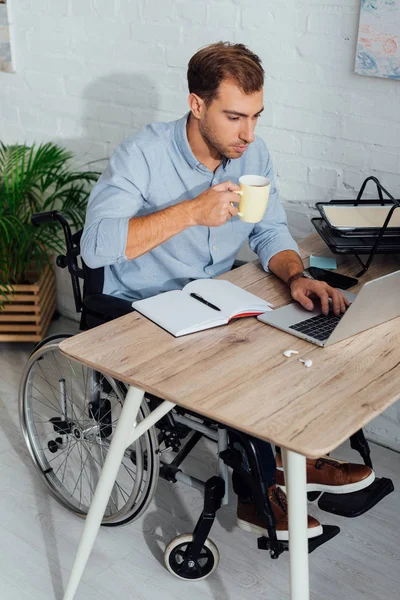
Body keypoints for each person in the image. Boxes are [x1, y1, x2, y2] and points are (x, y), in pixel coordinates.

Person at [82, 42, 374, 541]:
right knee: (241, 366)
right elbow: (95, 247)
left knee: (294, 340)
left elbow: (270, 231)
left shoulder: (251, 153)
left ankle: (289, 462)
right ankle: (258, 493)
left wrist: (296, 275)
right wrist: (192, 212)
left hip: (212, 295)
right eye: (235, 117)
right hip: (140, 305)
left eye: (256, 117)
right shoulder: (143, 153)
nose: (249, 134)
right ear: (197, 105)